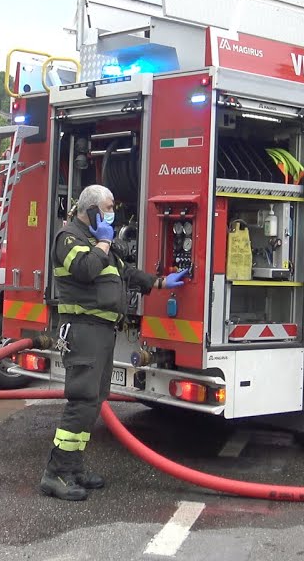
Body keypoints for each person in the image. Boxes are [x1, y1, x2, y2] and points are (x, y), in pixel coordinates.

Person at [39, 184, 189, 501]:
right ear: (90, 210)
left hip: (102, 331)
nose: (112, 213)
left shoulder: (95, 242)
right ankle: (55, 474)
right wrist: (105, 241)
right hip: (84, 330)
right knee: (81, 401)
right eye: (107, 207)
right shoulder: (69, 239)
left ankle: (74, 468)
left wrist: (160, 282)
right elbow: (85, 270)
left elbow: (125, 273)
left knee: (93, 400)